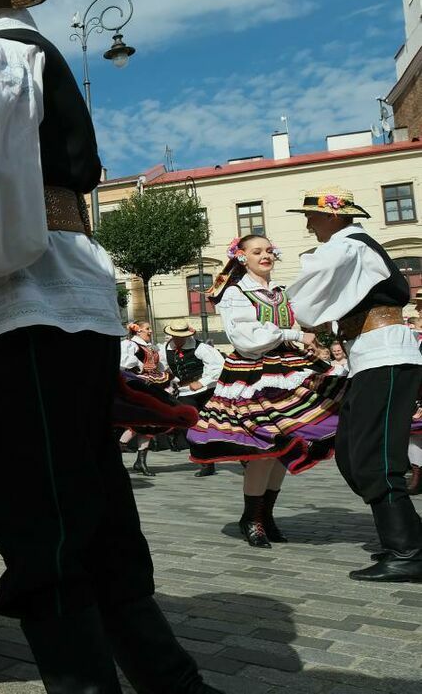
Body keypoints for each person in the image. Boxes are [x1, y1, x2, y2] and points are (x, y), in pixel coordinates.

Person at [0, 0, 217, 692]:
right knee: (90, 502)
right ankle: (170, 680)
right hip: (61, 296)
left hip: (36, 299)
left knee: (36, 508)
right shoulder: (27, 54)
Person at [286, 186, 422, 582]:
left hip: (385, 355)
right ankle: (410, 537)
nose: (309, 223)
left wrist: (292, 313)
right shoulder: (352, 247)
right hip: (371, 355)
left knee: (375, 456)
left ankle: (408, 551)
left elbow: (309, 298)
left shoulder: (346, 245)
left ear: (333, 216)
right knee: (350, 452)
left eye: (312, 215)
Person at [185, 235, 344, 547]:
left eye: (269, 250)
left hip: (290, 369)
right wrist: (292, 332)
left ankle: (265, 515)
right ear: (242, 257)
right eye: (257, 251)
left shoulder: (281, 293)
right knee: (263, 449)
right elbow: (245, 337)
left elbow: (314, 317)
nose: (265, 255)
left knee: (282, 448)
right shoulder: (235, 292)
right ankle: (252, 518)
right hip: (254, 376)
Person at [160, 322, 225, 477]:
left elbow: (219, 366)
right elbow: (163, 367)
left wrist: (201, 382)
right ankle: (206, 463)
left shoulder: (201, 348)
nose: (177, 340)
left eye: (181, 337)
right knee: (189, 426)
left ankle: (244, 459)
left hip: (207, 390)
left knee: (219, 424)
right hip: (184, 392)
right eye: (175, 336)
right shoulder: (165, 349)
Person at [118, 321, 169, 476]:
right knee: (140, 421)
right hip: (139, 385)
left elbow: (159, 366)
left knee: (149, 423)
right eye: (147, 329)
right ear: (138, 331)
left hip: (153, 384)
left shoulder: (150, 346)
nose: (150, 331)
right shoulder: (130, 344)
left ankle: (141, 461)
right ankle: (119, 448)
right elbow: (123, 362)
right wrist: (139, 368)